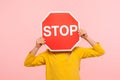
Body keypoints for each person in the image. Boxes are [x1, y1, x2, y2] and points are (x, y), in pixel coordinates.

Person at [24, 29, 105, 80]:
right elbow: (28, 63)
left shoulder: (77, 51)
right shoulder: (48, 54)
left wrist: (86, 37)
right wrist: (37, 47)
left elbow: (100, 51)